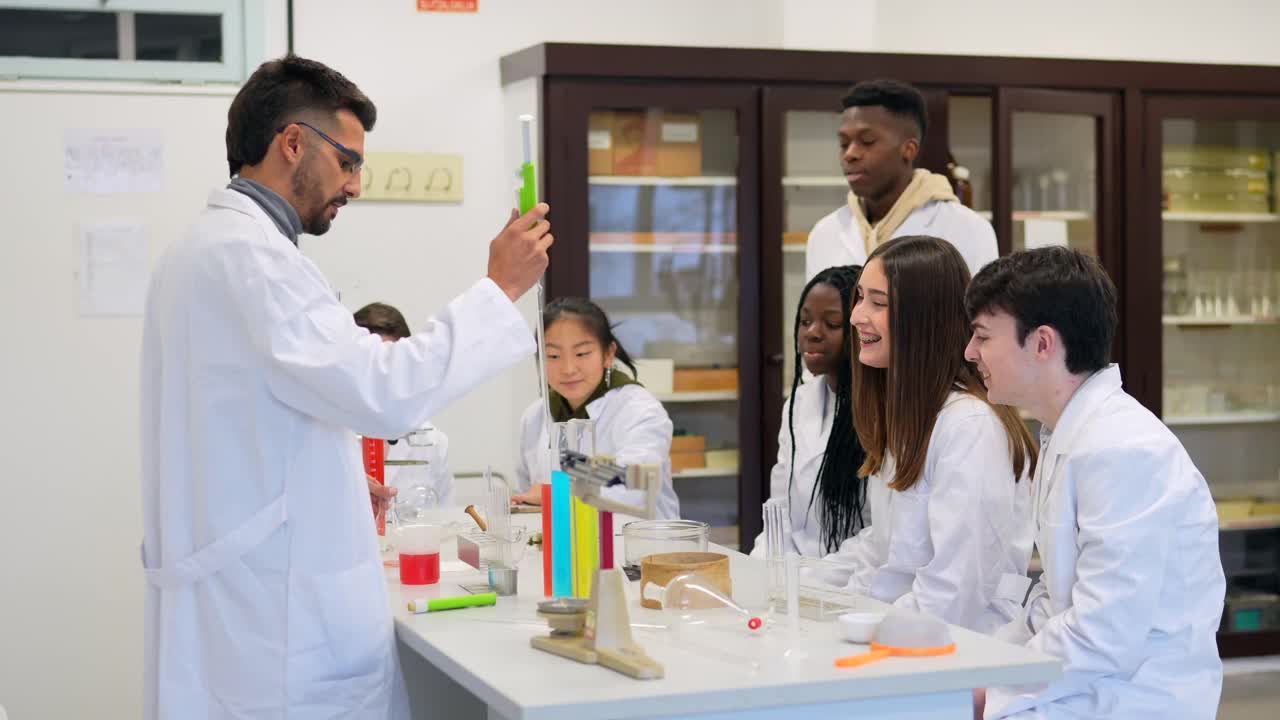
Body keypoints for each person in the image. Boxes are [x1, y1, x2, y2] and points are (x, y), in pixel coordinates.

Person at [139, 55, 552, 719]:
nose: (357, 186)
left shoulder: (202, 250)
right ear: (293, 143)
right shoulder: (253, 260)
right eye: (349, 162)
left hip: (242, 597)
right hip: (274, 627)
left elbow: (241, 421)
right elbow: (382, 394)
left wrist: (318, 476)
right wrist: (500, 289)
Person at [964, 247, 1224, 719]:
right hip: (1087, 685)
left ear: (1043, 343)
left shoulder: (1123, 450)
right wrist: (978, 671)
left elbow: (1104, 634)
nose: (970, 353)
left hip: (1133, 698)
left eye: (982, 336)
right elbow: (1054, 600)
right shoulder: (1069, 433)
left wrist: (987, 691)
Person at [827, 235, 1037, 634]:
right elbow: (882, 553)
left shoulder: (969, 428)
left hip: (953, 654)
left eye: (878, 302)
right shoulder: (913, 419)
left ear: (923, 318)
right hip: (903, 640)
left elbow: (954, 593)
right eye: (859, 298)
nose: (856, 316)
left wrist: (859, 630)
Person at [805, 79, 996, 283]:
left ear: (909, 149)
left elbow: (980, 314)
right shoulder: (825, 233)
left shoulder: (966, 229)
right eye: (844, 144)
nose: (850, 154)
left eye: (867, 141)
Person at [511, 297, 680, 520]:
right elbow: (529, 493)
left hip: (640, 545)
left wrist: (556, 493)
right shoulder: (535, 416)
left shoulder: (639, 410)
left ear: (608, 354)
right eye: (553, 356)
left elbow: (634, 484)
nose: (568, 368)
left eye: (582, 353)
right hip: (564, 544)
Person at [750, 265, 868, 558]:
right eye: (805, 321)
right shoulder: (800, 402)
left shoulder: (882, 412)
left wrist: (809, 580)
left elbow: (875, 537)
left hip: (850, 583)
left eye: (832, 323)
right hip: (793, 577)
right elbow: (779, 508)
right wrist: (764, 570)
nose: (812, 333)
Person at [354, 302, 455, 507]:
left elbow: (446, 521)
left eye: (389, 364)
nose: (380, 378)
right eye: (372, 366)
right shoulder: (325, 437)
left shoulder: (432, 442)